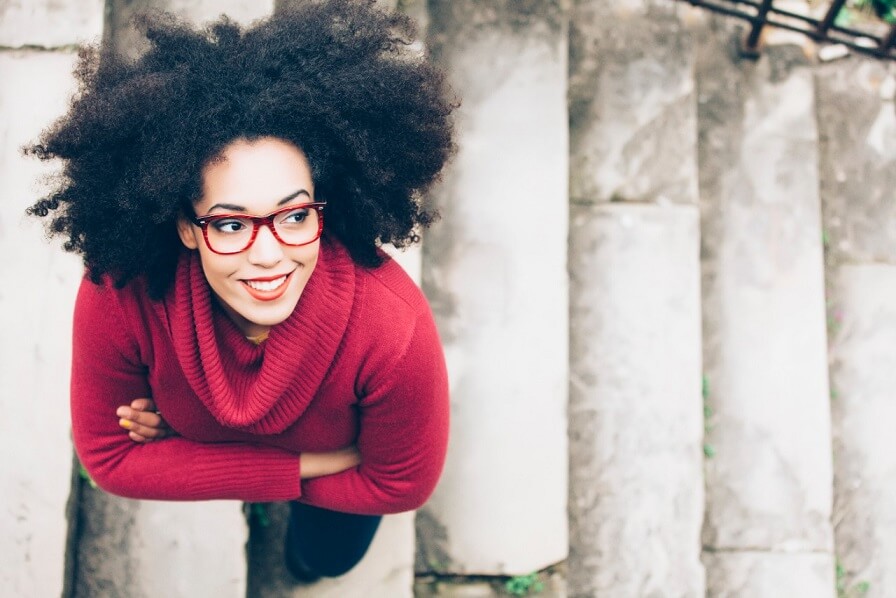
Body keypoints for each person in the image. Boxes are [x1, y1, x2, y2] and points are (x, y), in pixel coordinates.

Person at [27, 0, 454, 582]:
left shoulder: (392, 330)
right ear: (186, 225)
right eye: (230, 224)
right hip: (335, 457)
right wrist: (308, 463)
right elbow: (112, 461)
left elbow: (397, 483)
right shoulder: (122, 290)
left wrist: (190, 444)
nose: (270, 253)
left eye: (294, 215)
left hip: (342, 499)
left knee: (327, 558)